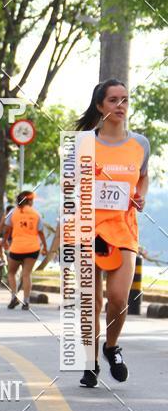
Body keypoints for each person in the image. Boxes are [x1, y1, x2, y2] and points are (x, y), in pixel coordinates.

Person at [76, 79, 148, 387]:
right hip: (87, 229)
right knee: (91, 303)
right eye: (113, 100)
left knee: (118, 298)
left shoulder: (140, 144)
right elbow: (69, 186)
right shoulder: (82, 144)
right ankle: (90, 362)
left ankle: (111, 347)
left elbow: (143, 176)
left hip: (123, 229)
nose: (120, 105)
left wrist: (141, 196)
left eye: (125, 100)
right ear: (99, 106)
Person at [4, 191, 47, 310]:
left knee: (11, 272)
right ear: (29, 201)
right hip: (33, 248)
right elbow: (41, 232)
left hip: (16, 248)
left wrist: (4, 241)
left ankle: (14, 297)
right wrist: (45, 247)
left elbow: (7, 230)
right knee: (26, 274)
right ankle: (26, 302)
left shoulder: (13, 212)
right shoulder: (36, 214)